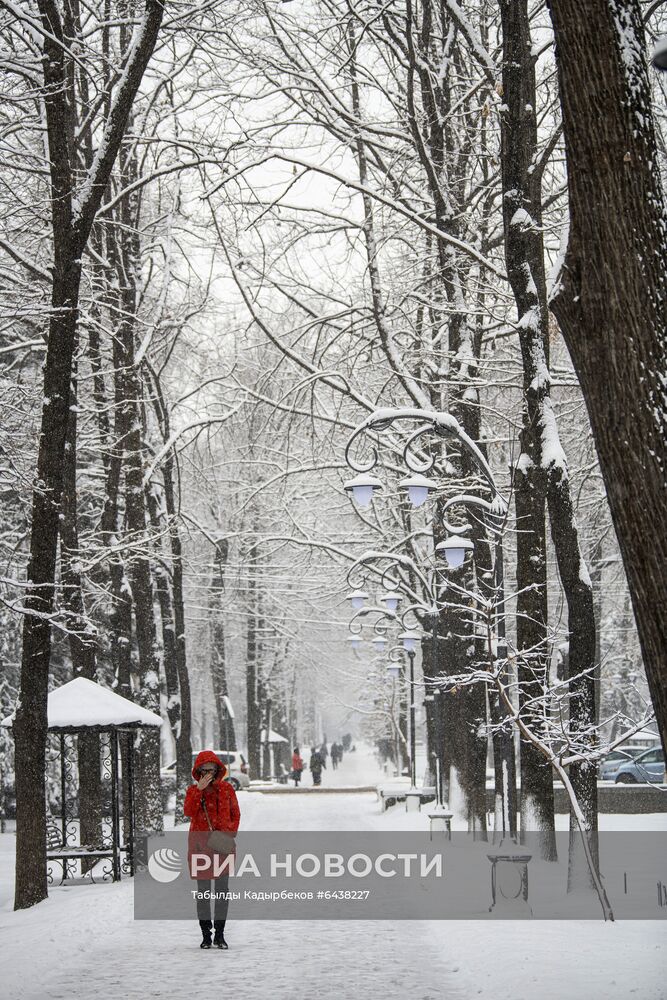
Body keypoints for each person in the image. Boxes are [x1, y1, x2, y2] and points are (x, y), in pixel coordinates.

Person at [184, 750, 240, 950]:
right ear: (198, 771)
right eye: (204, 770)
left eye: (211, 769)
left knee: (222, 892)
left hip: (222, 847)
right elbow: (188, 812)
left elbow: (235, 814)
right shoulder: (193, 791)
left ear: (218, 770)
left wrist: (227, 834)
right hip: (200, 848)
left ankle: (221, 934)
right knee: (203, 893)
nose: (208, 773)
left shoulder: (227, 789)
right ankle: (206, 935)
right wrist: (198, 790)